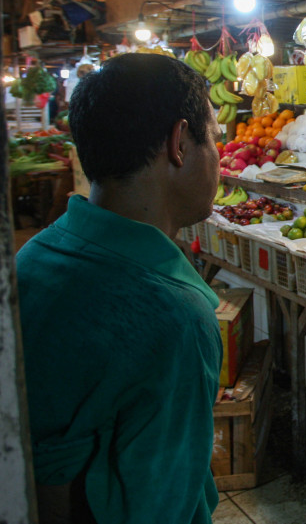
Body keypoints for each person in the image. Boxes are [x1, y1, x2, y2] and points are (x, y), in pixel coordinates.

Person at [17, 53, 223, 524]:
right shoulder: (174, 320)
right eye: (212, 137)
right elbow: (161, 507)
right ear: (179, 144)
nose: (218, 156)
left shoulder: (34, 258)